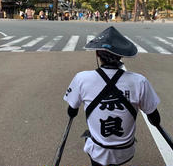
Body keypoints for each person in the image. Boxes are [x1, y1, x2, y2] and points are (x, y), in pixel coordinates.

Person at [63, 26, 161, 166]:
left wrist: (72, 111)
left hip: (98, 151)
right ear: (121, 56)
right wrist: (156, 122)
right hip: (125, 151)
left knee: (91, 138)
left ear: (97, 54)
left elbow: (71, 110)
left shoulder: (82, 78)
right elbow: (154, 117)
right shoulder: (139, 81)